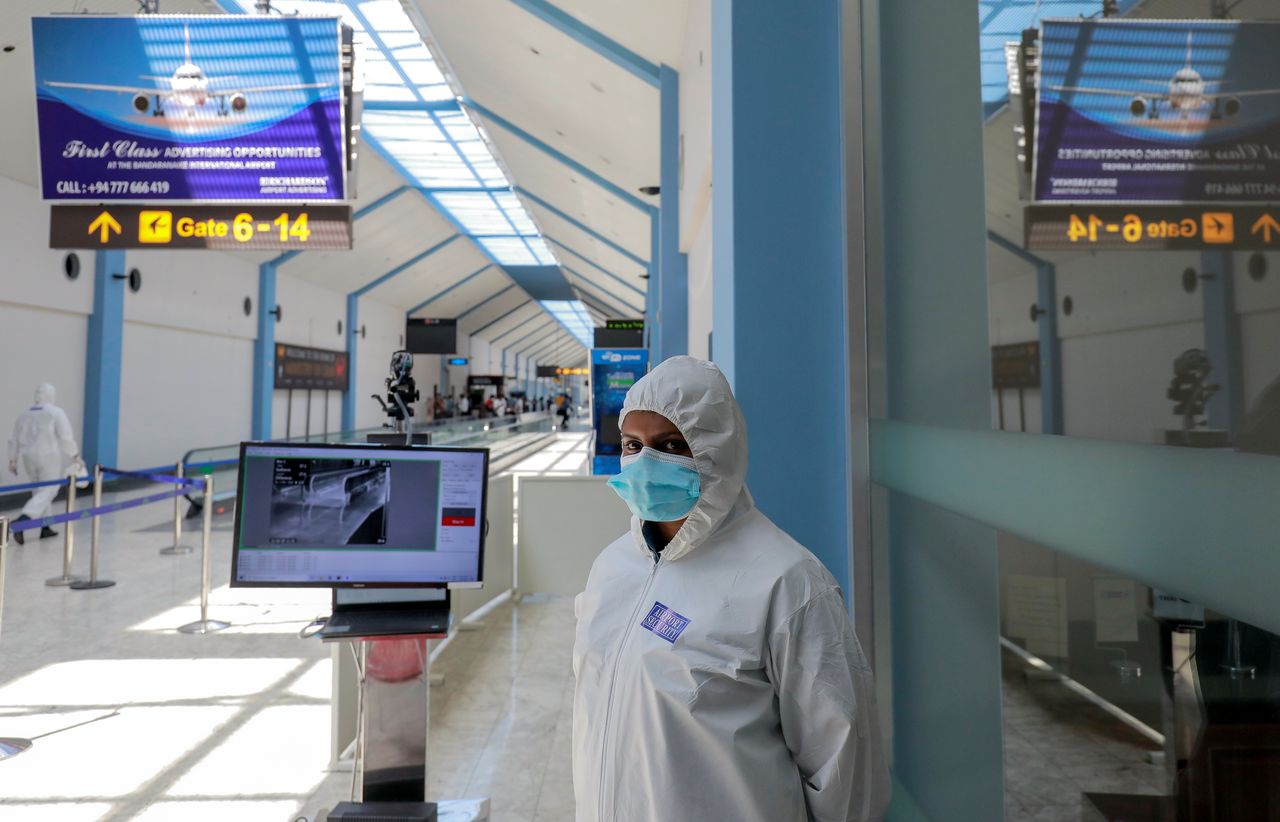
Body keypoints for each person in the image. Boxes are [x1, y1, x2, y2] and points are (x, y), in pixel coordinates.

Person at [573, 357, 890, 822]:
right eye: (632, 444)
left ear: (716, 451)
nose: (644, 462)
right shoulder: (613, 567)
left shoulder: (787, 581)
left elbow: (844, 768)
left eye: (670, 445)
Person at [7, 384, 84, 546]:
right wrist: (75, 455)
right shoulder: (55, 412)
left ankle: (45, 526)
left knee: (38, 491)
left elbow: (14, 438)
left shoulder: (25, 413)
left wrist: (12, 459)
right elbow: (65, 437)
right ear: (52, 395)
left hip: (28, 457)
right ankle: (23, 519)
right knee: (50, 489)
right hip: (48, 455)